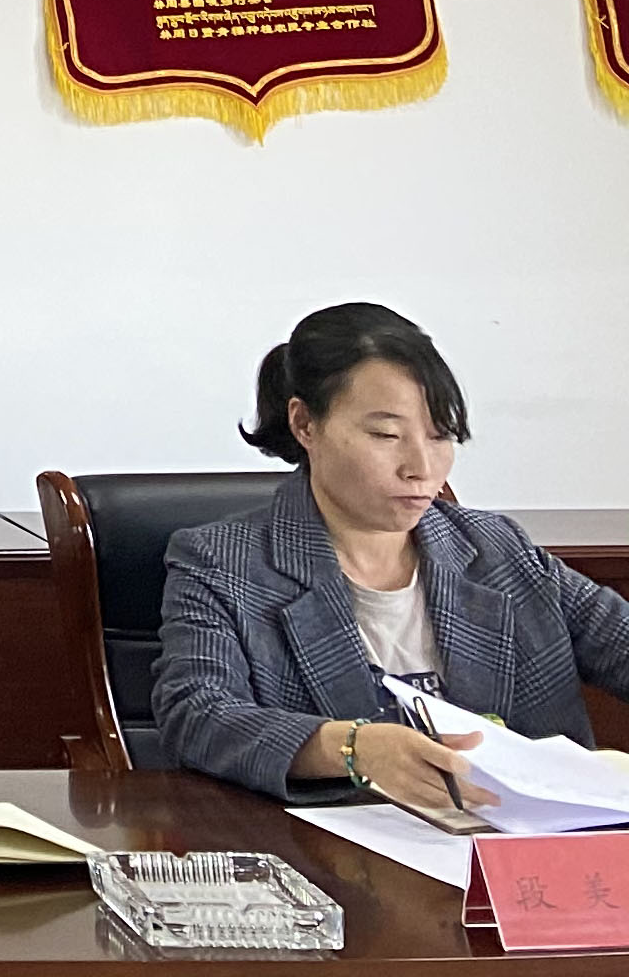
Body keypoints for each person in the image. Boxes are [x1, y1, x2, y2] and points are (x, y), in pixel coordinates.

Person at [153, 300, 629, 814]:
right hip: (337, 849)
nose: (421, 467)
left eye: (440, 435)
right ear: (305, 424)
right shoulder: (222, 563)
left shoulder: (496, 548)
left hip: (528, 848)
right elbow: (197, 713)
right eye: (386, 434)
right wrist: (353, 747)